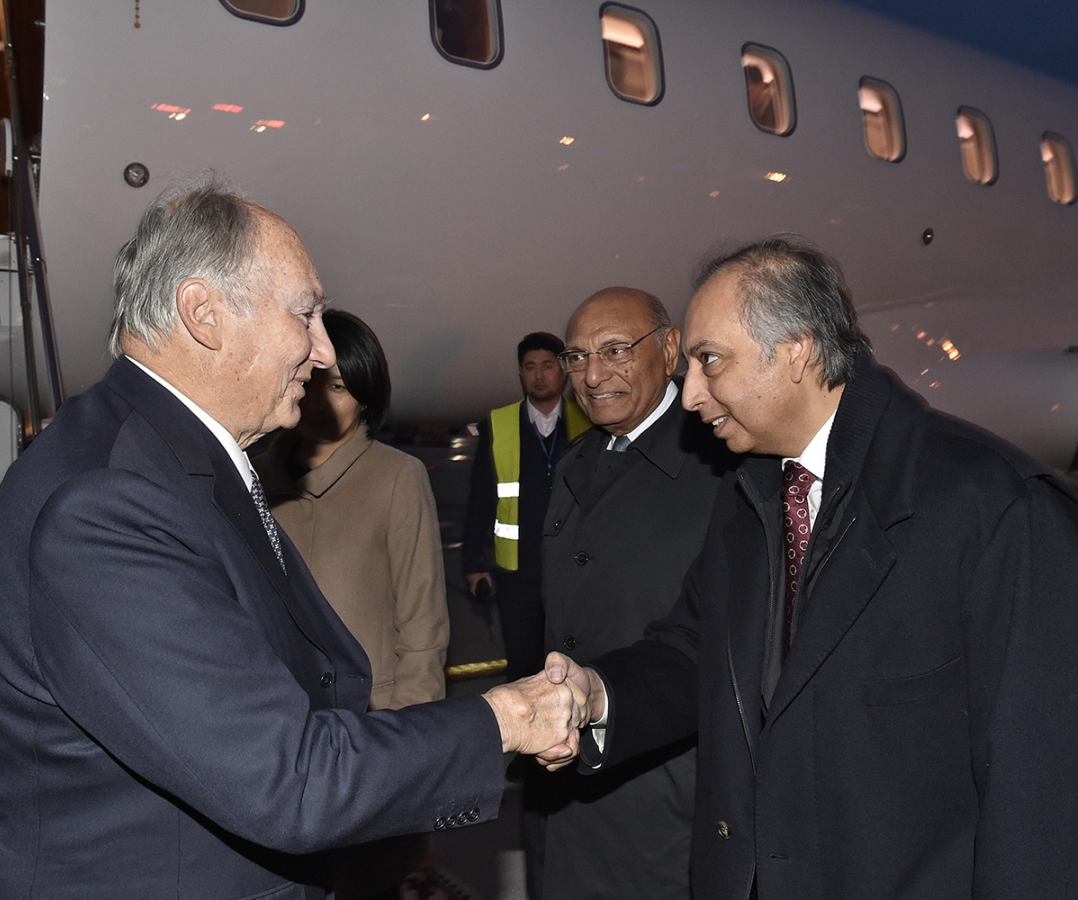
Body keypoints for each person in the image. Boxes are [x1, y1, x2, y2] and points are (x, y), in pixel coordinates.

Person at [0, 177, 586, 900]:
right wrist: (508, 716)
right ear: (204, 314)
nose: (325, 350)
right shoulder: (111, 501)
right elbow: (287, 779)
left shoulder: (168, 458)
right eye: (306, 314)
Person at [550, 237, 1078, 899]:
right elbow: (696, 652)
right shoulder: (752, 495)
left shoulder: (990, 508)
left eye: (711, 361)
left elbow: (1042, 789)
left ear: (796, 351)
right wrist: (596, 697)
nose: (690, 396)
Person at [528, 289, 734, 900]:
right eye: (576, 358)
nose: (593, 376)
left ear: (670, 348)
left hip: (668, 794)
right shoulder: (576, 460)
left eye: (616, 351)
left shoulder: (722, 462)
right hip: (566, 782)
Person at [258, 309, 448, 714]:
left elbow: (422, 626)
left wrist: (411, 733)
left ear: (367, 396)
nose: (320, 401)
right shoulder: (255, 477)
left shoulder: (397, 477)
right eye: (311, 382)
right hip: (276, 716)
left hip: (371, 718)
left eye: (340, 386)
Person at [462, 332, 589, 682]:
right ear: (520, 374)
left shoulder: (589, 422)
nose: (539, 375)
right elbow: (481, 498)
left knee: (575, 663)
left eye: (548, 366)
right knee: (523, 665)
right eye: (530, 367)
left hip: (574, 568)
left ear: (562, 371)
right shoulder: (498, 425)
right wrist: (474, 562)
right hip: (518, 573)